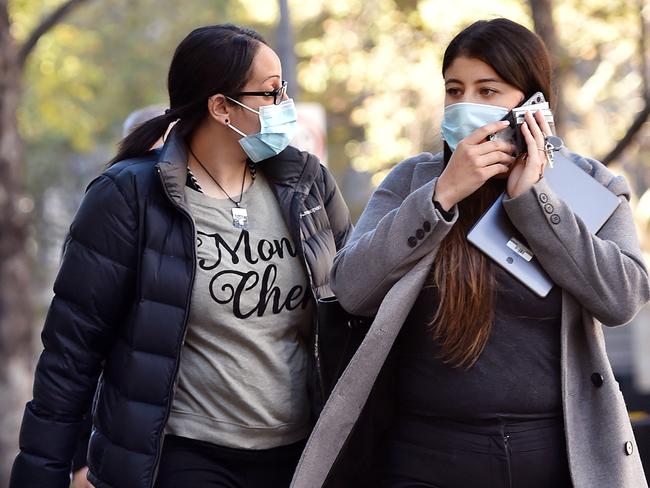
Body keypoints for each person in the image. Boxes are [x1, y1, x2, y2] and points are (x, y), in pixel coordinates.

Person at [288, 18, 650, 488]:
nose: (466, 106)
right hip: (425, 451)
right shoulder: (413, 180)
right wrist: (441, 196)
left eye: (488, 91)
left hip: (554, 451)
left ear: (531, 102)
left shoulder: (590, 184)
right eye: (454, 90)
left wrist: (534, 203)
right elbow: (352, 288)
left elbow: (622, 298)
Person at [10, 23, 352, 488]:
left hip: (299, 454)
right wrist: (47, 473)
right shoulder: (129, 195)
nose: (284, 107)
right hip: (183, 454)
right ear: (220, 107)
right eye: (271, 93)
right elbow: (72, 353)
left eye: (284, 90)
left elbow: (350, 305)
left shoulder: (307, 185)